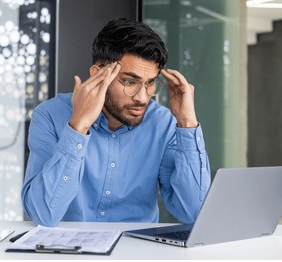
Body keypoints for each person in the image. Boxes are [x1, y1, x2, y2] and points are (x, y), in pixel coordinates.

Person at [21, 17, 210, 227]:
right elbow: (43, 214)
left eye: (150, 83)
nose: (142, 97)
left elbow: (193, 212)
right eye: (130, 82)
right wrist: (78, 127)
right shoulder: (49, 116)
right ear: (99, 74)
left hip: (137, 255)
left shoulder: (163, 124)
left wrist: (187, 123)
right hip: (69, 254)